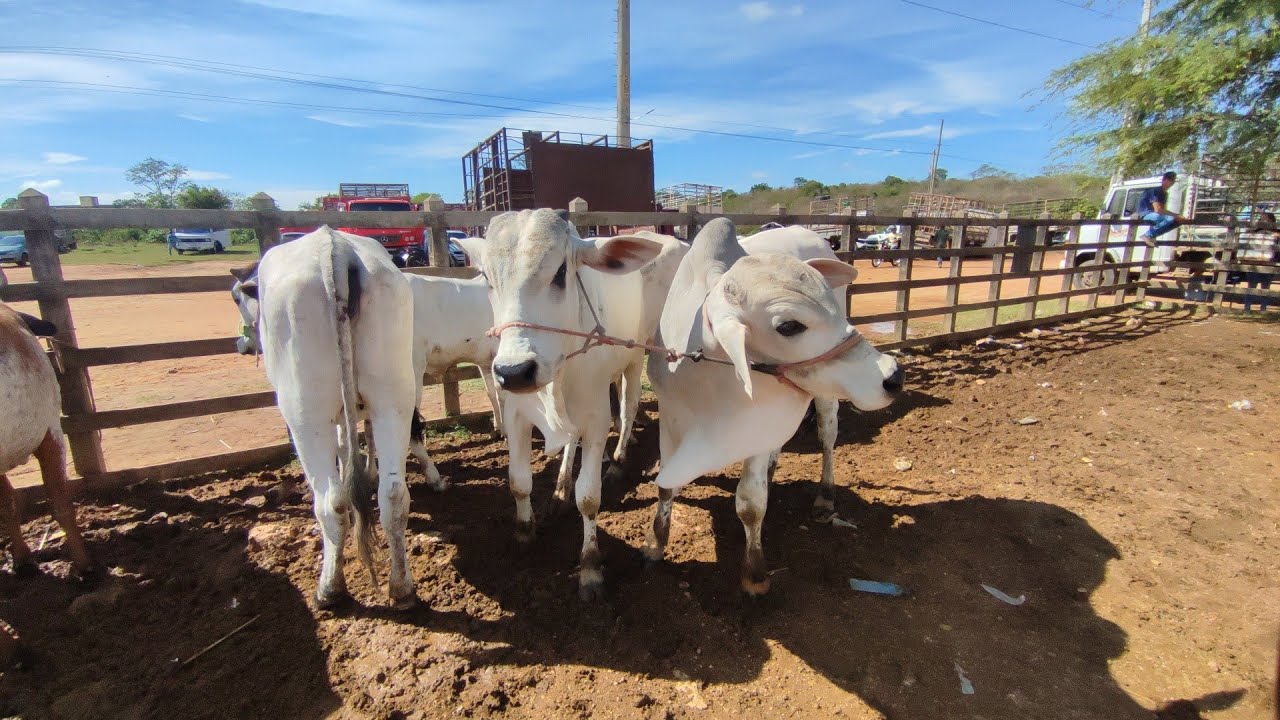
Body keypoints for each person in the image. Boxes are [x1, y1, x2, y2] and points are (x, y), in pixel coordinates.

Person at [1137, 171, 1189, 247]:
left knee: (1177, 222)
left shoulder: (1165, 194)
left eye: (1173, 180)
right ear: (1164, 180)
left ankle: (1152, 235)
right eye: (1170, 180)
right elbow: (1158, 210)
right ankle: (1147, 235)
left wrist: (1177, 217)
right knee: (1170, 218)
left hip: (1155, 214)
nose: (1172, 183)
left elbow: (1163, 209)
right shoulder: (1155, 191)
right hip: (1146, 214)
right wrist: (1176, 215)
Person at [1243, 211, 1278, 312]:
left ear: (1272, 221)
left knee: (1265, 286)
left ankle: (1263, 309)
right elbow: (1247, 235)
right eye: (1262, 219)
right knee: (1251, 285)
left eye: (1266, 219)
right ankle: (1247, 308)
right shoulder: (1256, 231)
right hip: (1254, 262)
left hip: (1269, 263)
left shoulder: (1275, 232)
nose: (1264, 221)